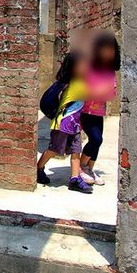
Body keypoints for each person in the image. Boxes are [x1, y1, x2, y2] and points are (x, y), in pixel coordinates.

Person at [36, 51, 93, 193]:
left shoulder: (81, 82)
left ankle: (74, 179)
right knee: (54, 149)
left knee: (76, 151)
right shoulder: (69, 83)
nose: (86, 67)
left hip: (75, 125)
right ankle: (39, 167)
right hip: (62, 124)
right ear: (73, 67)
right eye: (82, 65)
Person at [78, 32, 120, 186]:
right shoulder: (90, 67)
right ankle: (81, 167)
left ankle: (90, 168)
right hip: (86, 110)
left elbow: (112, 92)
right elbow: (84, 89)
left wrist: (103, 92)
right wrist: (98, 92)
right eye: (105, 49)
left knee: (97, 142)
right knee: (96, 138)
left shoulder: (109, 70)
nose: (108, 53)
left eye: (111, 50)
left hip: (99, 111)